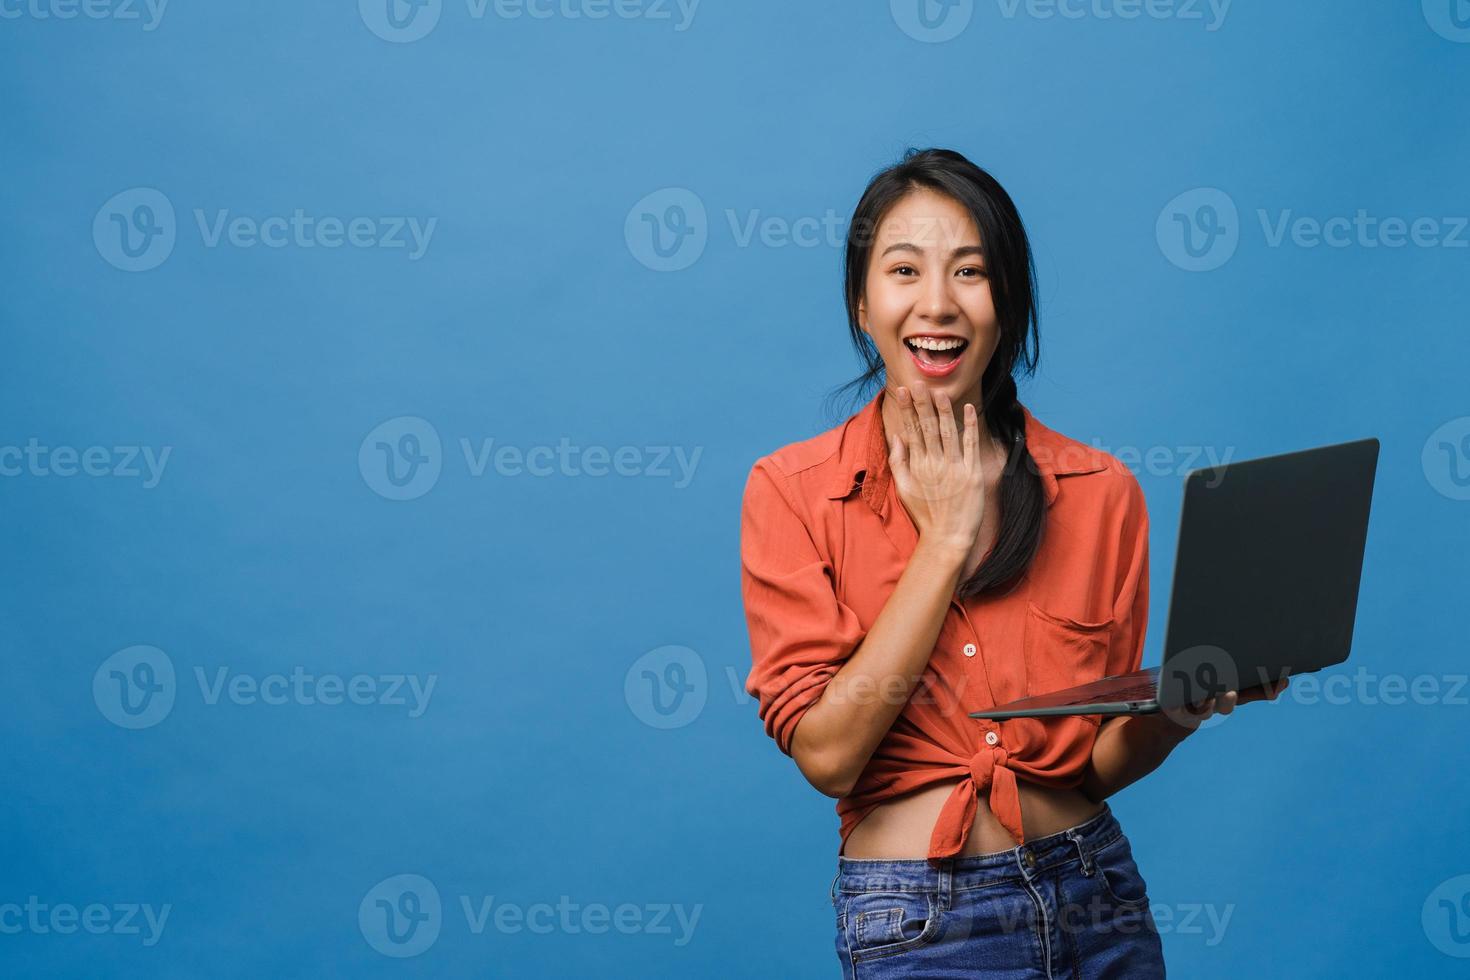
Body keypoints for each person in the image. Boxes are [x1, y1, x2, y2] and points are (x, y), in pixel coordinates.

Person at [738, 147, 1287, 978]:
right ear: (862, 302)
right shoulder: (792, 492)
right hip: (920, 922)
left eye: (970, 272)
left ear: (1008, 302)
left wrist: (1186, 701)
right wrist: (945, 542)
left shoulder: (1102, 492)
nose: (937, 304)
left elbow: (1095, 764)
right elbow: (829, 756)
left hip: (1096, 894)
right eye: (903, 270)